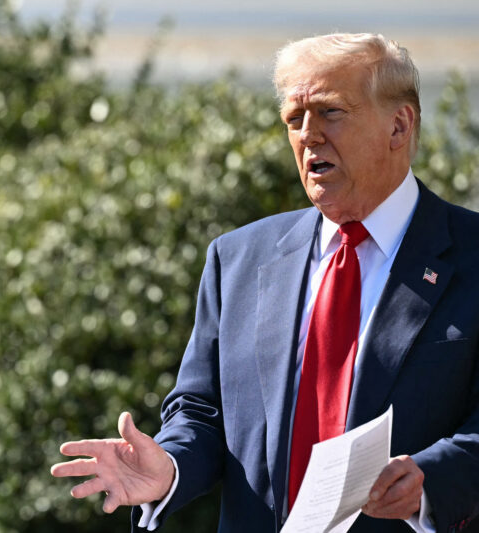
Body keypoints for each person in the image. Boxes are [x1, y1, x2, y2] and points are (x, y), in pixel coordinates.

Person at [51, 33, 479, 533]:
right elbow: (202, 409)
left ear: (398, 126)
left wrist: (431, 479)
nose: (308, 135)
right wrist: (169, 469)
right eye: (294, 120)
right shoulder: (237, 259)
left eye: (330, 113)